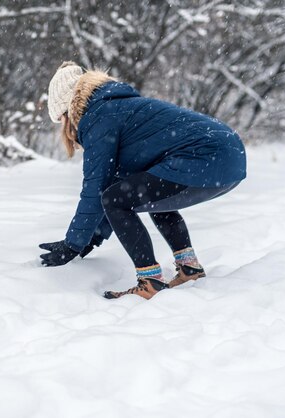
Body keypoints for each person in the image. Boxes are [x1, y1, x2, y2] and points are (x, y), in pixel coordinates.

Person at [39, 61, 247, 300]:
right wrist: (91, 239)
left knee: (117, 199)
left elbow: (97, 187)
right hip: (228, 157)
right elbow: (114, 182)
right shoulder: (116, 108)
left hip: (207, 156)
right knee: (147, 194)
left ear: (68, 109)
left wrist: (72, 244)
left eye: (62, 119)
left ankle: (150, 281)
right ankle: (189, 268)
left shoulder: (98, 117)